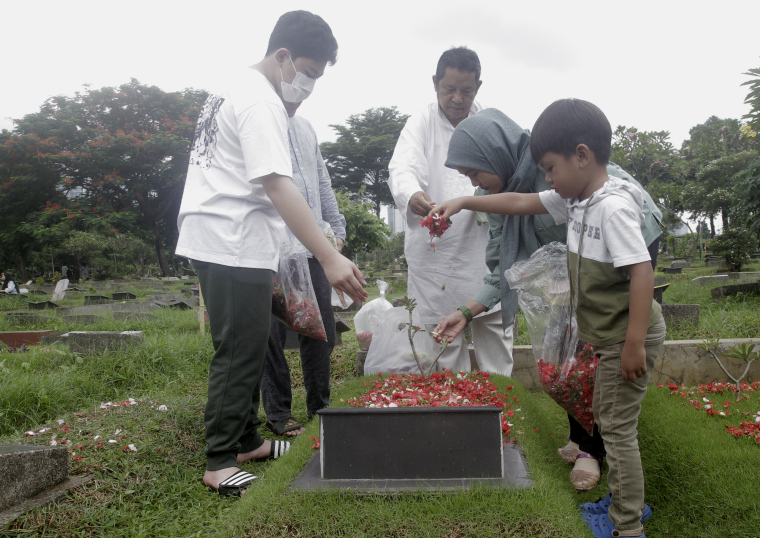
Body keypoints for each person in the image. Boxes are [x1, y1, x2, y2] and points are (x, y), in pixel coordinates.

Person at [433, 99, 666, 538]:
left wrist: (633, 341)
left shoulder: (607, 205)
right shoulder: (573, 200)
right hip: (604, 320)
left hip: (624, 329)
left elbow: (640, 271)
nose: (549, 178)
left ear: (581, 156)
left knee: (617, 428)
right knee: (596, 402)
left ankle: (627, 524)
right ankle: (616, 492)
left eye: (552, 168)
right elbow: (519, 206)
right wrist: (465, 199)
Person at [175, 10, 367, 497]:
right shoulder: (260, 100)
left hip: (231, 236)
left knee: (250, 337)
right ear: (282, 56)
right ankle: (219, 460)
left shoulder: (234, 88)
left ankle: (247, 442)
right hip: (230, 239)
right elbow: (279, 186)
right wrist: (328, 256)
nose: (308, 86)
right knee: (240, 349)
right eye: (308, 73)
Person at [387, 47, 515, 375]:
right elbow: (402, 168)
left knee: (496, 343)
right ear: (435, 83)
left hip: (484, 248)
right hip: (437, 259)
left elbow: (513, 170)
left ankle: (501, 415)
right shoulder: (421, 122)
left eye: (467, 90)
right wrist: (412, 194)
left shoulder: (489, 122)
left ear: (478, 87)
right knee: (443, 348)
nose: (458, 98)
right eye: (449, 89)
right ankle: (450, 416)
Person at [260, 107, 346, 438]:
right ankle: (279, 411)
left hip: (313, 243)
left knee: (319, 328)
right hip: (271, 243)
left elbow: (321, 179)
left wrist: (336, 227)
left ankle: (319, 405)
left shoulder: (306, 128)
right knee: (271, 333)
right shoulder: (260, 119)